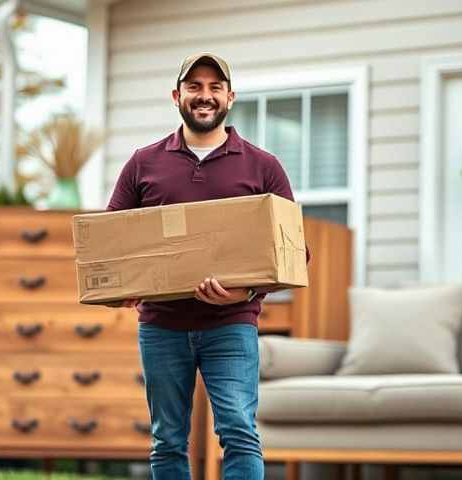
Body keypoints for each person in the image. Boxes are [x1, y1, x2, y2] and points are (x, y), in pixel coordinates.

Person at [106, 52, 309, 480]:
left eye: (215, 87)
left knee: (239, 431)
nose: (205, 96)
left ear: (230, 98)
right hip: (162, 326)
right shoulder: (144, 163)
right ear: (177, 95)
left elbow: (296, 251)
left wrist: (248, 292)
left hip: (231, 323)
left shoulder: (262, 166)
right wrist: (123, 287)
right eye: (195, 87)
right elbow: (111, 245)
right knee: (167, 439)